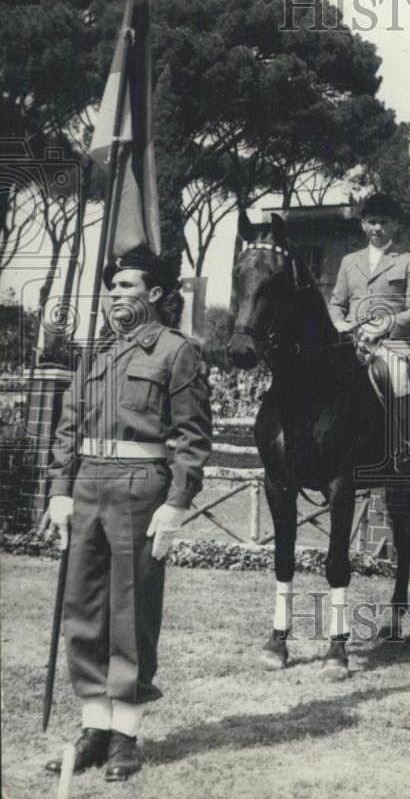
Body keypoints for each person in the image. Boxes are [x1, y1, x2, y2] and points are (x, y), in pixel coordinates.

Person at [44, 245, 212, 782]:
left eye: (128, 286)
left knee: (131, 613)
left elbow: (191, 438)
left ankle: (125, 737)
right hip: (88, 486)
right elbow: (69, 424)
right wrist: (59, 490)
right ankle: (94, 728)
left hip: (142, 489)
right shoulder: (95, 352)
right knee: (83, 609)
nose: (116, 295)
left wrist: (176, 504)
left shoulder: (177, 352)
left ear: (156, 294)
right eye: (113, 288)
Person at [327, 192, 410, 472]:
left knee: (397, 375)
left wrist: (384, 326)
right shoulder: (350, 261)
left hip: (392, 343)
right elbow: (336, 302)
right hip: (350, 340)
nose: (377, 228)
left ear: (394, 224)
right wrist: (338, 323)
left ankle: (401, 444)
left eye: (383, 222)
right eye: (371, 222)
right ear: (362, 225)